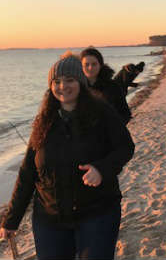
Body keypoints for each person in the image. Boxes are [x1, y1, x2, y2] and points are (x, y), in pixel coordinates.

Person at [0, 53, 135, 260]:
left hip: (97, 212)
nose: (63, 86)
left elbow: (125, 147)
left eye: (70, 80)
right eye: (57, 81)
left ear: (80, 82)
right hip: (49, 217)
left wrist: (102, 169)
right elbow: (28, 171)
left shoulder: (102, 112)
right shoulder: (44, 120)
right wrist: (11, 220)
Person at [80, 47, 132, 124]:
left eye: (94, 64)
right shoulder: (77, 87)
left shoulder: (113, 86)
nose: (90, 68)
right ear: (81, 66)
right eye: (86, 64)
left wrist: (114, 128)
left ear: (100, 65)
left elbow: (125, 113)